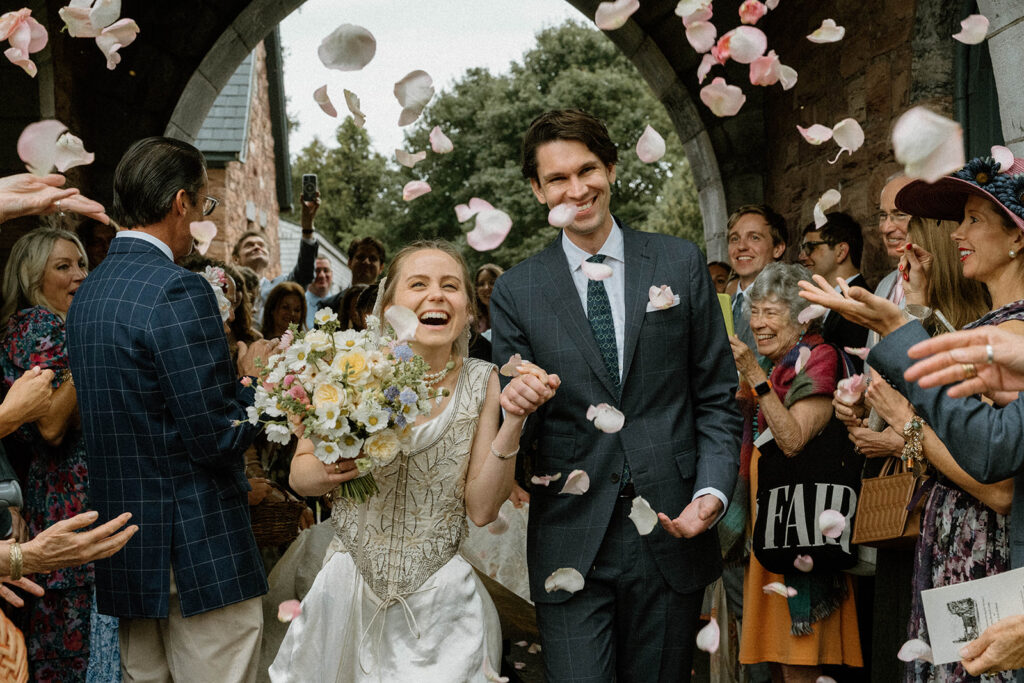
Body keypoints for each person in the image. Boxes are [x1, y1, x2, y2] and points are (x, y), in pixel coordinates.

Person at [490, 109, 740, 682]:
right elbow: (515, 421)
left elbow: (717, 398)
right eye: (557, 179)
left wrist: (711, 491)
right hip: (570, 534)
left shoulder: (678, 262)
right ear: (537, 190)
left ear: (612, 169)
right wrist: (520, 402)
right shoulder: (516, 290)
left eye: (588, 170)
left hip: (672, 523)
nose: (577, 190)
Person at [270, 240, 558, 682]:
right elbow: (301, 477)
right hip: (347, 592)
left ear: (466, 309)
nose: (436, 295)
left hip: (442, 607)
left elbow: (481, 510)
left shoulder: (484, 382)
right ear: (388, 305)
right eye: (418, 284)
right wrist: (334, 468)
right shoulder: (346, 367)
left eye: (450, 286)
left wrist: (513, 421)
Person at [800, 153, 1024, 682]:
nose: (955, 235)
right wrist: (915, 316)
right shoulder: (990, 325)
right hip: (953, 545)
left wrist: (908, 428)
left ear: (1017, 236)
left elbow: (997, 485)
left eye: (974, 219)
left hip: (985, 560)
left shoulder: (1014, 335)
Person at [66, 137, 275, 683]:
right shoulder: (179, 290)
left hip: (125, 542)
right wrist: (257, 379)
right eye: (205, 205)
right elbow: (217, 434)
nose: (201, 218)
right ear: (181, 202)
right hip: (195, 544)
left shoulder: (90, 293)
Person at [729, 263, 863, 681]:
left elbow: (792, 439)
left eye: (771, 313)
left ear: (801, 315)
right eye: (755, 313)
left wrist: (753, 375)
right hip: (774, 528)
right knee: (782, 661)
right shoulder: (779, 365)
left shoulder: (818, 359)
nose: (758, 324)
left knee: (800, 659)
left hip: (801, 531)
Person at [0, 227, 121, 681]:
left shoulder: (54, 325)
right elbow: (51, 425)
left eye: (82, 265)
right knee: (74, 660)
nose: (79, 275)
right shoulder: (39, 324)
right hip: (65, 505)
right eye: (62, 266)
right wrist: (92, 337)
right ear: (33, 279)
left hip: (64, 502)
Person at [232, 194, 321, 325]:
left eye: (262, 245)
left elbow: (304, 273)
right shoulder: (228, 288)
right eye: (249, 245)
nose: (257, 247)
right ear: (236, 259)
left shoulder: (280, 287)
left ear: (268, 257)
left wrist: (307, 228)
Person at [798, 212, 869, 370]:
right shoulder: (827, 303)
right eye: (802, 248)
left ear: (841, 251)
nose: (802, 256)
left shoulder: (858, 304)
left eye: (810, 247)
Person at [727, 204, 788, 356]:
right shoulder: (724, 304)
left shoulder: (790, 303)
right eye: (734, 238)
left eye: (754, 237)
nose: (741, 246)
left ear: (778, 248)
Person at [474, 263, 503, 338]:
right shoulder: (471, 324)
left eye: (492, 283)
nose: (486, 287)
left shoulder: (515, 319)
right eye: (481, 284)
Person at [304, 257, 333, 329]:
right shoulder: (298, 304)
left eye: (326, 270)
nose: (322, 275)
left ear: (331, 274)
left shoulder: (339, 305)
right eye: (317, 271)